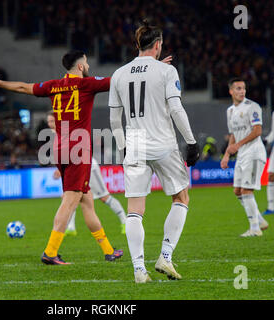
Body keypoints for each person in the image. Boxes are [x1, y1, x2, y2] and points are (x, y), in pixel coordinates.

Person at [0, 51, 123, 265]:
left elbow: (23, 87)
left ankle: (108, 250)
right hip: (78, 149)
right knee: (70, 201)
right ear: (80, 67)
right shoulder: (88, 84)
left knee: (87, 201)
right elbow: (121, 79)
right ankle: (50, 252)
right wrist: (147, 64)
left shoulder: (54, 85)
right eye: (86, 62)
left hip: (60, 148)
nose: (89, 65)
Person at [109, 20, 200, 283]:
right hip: (163, 143)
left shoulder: (119, 74)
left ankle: (139, 270)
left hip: (134, 143)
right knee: (181, 198)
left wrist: (123, 146)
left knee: (135, 210)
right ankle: (166, 257)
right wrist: (191, 141)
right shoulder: (166, 72)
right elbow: (175, 109)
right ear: (158, 45)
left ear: (137, 44)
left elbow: (115, 120)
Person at [45, 112, 127, 235]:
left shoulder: (66, 131)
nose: (50, 124)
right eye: (49, 122)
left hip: (88, 166)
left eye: (52, 121)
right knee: (71, 197)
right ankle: (71, 228)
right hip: (74, 168)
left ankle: (125, 222)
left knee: (104, 197)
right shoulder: (55, 134)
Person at [220, 78, 269, 237]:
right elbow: (233, 134)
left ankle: (255, 229)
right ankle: (260, 220)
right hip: (242, 154)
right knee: (237, 191)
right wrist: (227, 154)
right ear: (231, 91)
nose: (242, 91)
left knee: (246, 190)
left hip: (254, 152)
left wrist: (238, 145)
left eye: (243, 88)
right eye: (238, 88)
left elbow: (257, 131)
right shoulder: (230, 111)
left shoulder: (252, 107)